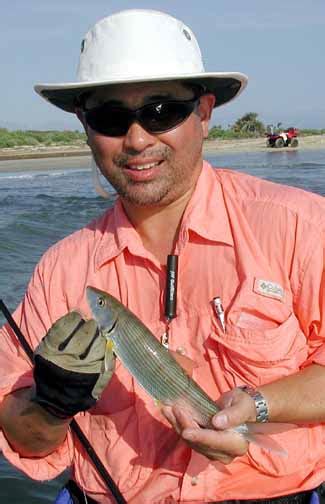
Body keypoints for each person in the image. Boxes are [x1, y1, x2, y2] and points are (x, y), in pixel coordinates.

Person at [0, 8, 325, 504]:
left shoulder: (301, 226)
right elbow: (27, 439)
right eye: (111, 117)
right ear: (85, 126)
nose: (136, 139)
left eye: (161, 111)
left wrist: (258, 405)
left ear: (205, 111)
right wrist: (49, 404)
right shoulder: (60, 269)